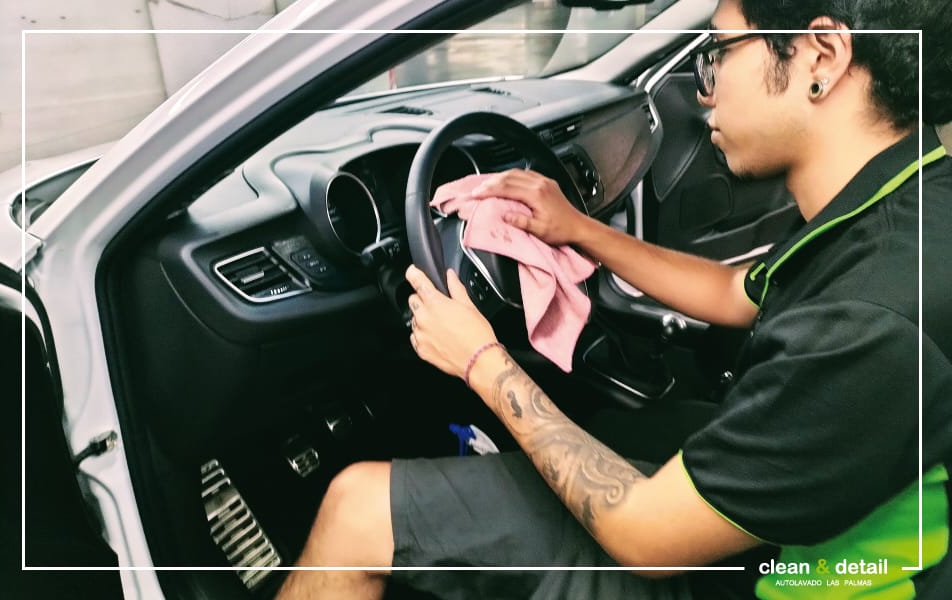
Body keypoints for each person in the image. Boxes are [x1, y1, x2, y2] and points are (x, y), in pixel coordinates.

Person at [276, 0, 952, 598]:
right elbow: (732, 291)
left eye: (720, 51)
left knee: (357, 507)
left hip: (777, 579)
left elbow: (645, 538)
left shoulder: (870, 323)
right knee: (606, 426)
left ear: (821, 57)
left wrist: (480, 360)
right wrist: (580, 229)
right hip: (803, 535)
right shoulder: (900, 204)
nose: (705, 89)